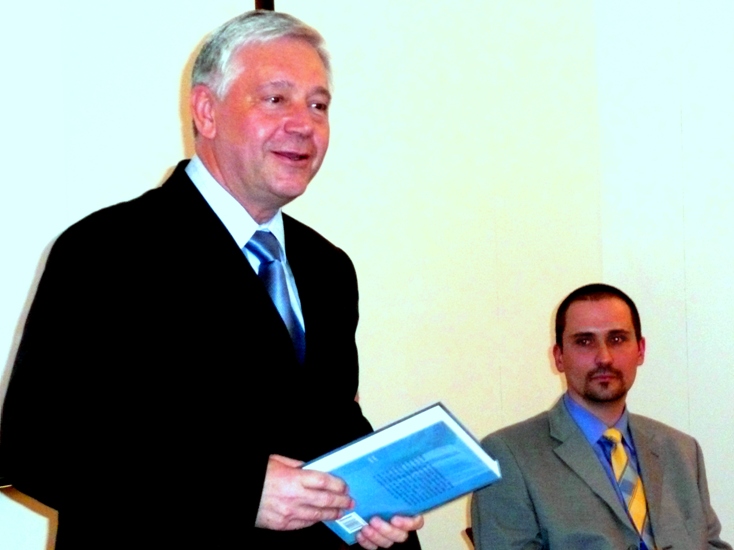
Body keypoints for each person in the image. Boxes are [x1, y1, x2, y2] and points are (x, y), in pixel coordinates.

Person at [0, 10, 422, 549]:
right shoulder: (107, 250)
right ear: (206, 110)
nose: (303, 124)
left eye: (318, 105)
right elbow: (37, 449)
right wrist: (239, 491)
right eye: (276, 99)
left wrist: (374, 508)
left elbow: (328, 428)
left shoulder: (327, 268)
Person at [471, 283, 731, 550]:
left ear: (640, 350)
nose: (604, 358)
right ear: (559, 357)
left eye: (617, 339)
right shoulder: (508, 456)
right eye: (584, 342)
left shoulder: (681, 451)